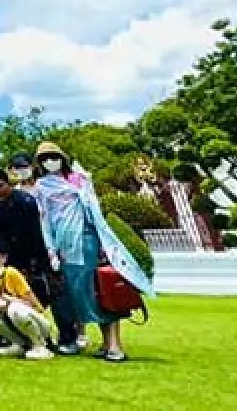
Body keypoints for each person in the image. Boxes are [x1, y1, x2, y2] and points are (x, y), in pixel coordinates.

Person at [33, 141, 155, 362]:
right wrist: (51, 249)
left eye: (54, 157)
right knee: (74, 295)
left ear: (63, 158)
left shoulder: (80, 180)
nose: (50, 162)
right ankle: (81, 339)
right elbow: (45, 220)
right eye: (45, 159)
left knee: (98, 291)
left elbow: (94, 213)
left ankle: (114, 344)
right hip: (64, 247)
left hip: (88, 242)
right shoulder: (42, 187)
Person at [0, 167, 78, 351]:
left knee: (53, 295)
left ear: (8, 184)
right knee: (11, 300)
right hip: (9, 259)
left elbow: (36, 234)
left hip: (37, 256)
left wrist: (35, 264)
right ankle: (22, 338)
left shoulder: (25, 201)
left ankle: (67, 338)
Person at [0, 237, 55, 360]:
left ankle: (40, 345)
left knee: (15, 309)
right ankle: (19, 343)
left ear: (3, 257)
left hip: (36, 321)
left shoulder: (11, 272)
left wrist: (10, 300)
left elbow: (33, 304)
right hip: (12, 322)